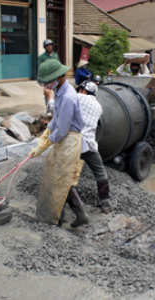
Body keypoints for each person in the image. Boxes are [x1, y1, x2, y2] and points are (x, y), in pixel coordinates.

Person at [28, 59, 90, 227]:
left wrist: (44, 145)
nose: (46, 85)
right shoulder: (59, 90)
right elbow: (56, 119)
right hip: (63, 138)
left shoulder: (68, 97)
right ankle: (60, 215)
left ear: (59, 76)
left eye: (47, 81)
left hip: (69, 140)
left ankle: (78, 214)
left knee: (61, 179)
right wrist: (44, 136)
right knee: (59, 179)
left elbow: (62, 129)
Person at [75, 81, 112, 213]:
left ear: (84, 90)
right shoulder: (98, 106)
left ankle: (73, 206)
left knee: (69, 174)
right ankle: (106, 203)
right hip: (89, 144)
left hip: (74, 143)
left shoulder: (79, 97)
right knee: (100, 172)